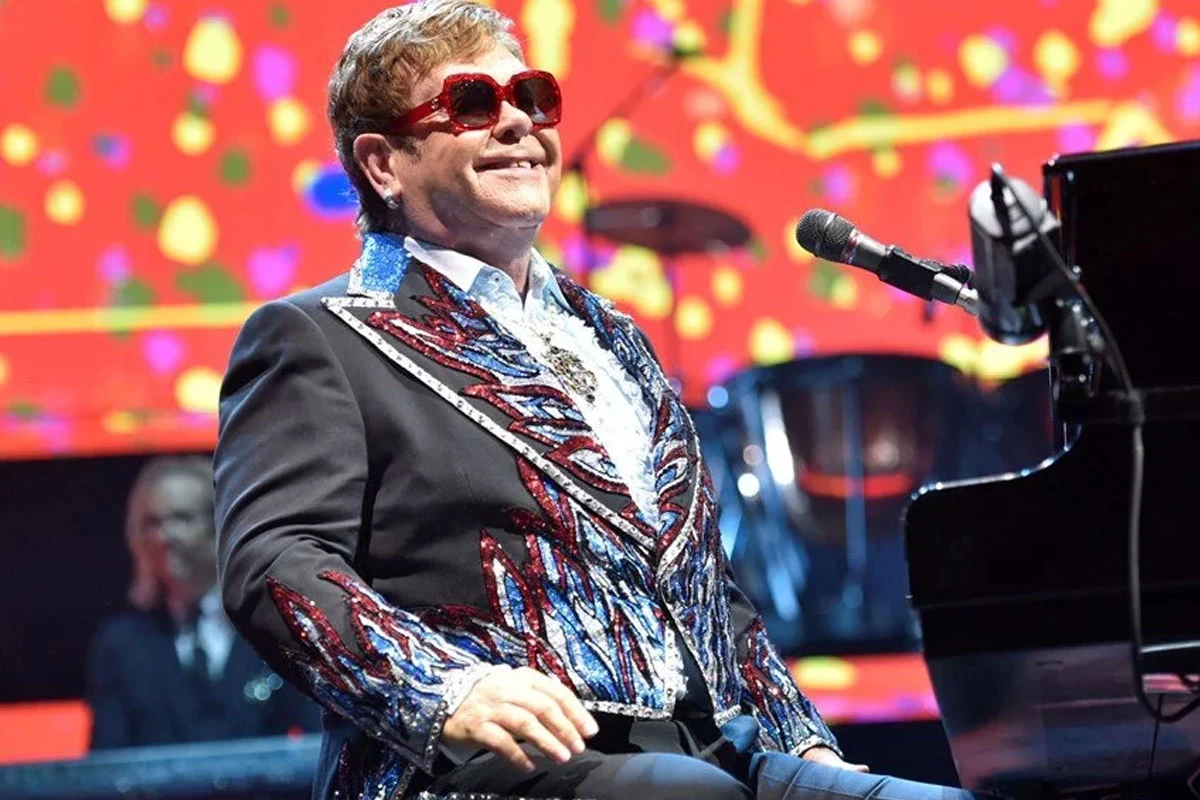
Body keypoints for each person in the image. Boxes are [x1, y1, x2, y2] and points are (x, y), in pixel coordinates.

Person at [212, 2, 985, 798]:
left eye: (533, 96)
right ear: (383, 164)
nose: (519, 121)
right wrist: (446, 691)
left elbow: (704, 587)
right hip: (491, 769)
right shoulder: (322, 336)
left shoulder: (611, 334)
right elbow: (276, 562)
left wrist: (804, 746)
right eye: (473, 102)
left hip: (711, 753)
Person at [87, 456, 320, 749]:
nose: (164, 536)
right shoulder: (120, 646)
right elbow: (106, 760)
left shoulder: (273, 627)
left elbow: (318, 742)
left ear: (219, 524)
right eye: (151, 523)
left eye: (182, 519)